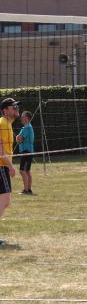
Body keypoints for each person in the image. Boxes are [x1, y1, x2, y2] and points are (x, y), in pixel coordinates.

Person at [0, 97, 19, 245]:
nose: (16, 109)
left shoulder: (8, 125)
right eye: (13, 107)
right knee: (5, 202)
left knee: (4, 202)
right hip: (1, 167)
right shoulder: (2, 123)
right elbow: (0, 152)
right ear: (5, 110)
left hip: (3, 166)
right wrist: (11, 167)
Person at [16, 110, 35, 195]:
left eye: (22, 117)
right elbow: (19, 139)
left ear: (27, 118)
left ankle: (26, 190)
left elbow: (19, 139)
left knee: (22, 171)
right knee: (27, 171)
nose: (21, 118)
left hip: (26, 152)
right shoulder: (26, 127)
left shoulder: (27, 128)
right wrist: (18, 138)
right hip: (27, 151)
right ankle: (29, 189)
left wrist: (18, 137)